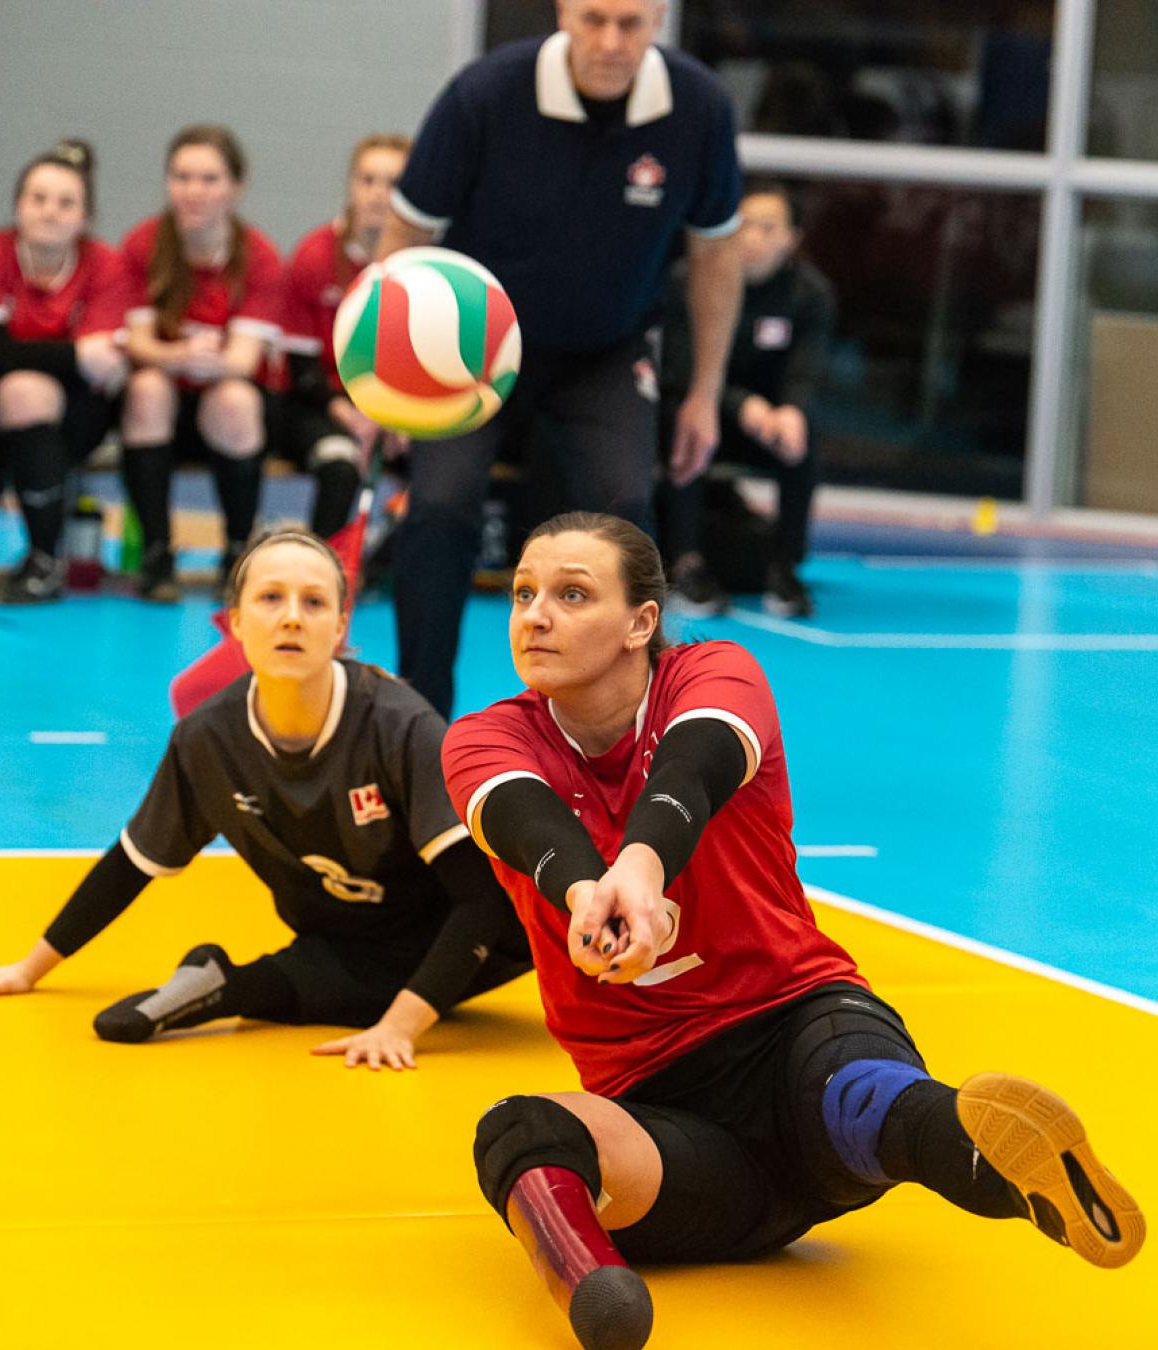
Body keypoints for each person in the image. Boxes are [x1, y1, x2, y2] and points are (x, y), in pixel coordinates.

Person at [442, 512, 1144, 1350]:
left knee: (858, 1102)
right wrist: (589, 892)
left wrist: (641, 868)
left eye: (572, 594)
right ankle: (598, 1292)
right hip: (672, 1125)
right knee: (522, 1129)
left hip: (797, 1019)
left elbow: (695, 767)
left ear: (643, 623)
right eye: (524, 593)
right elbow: (528, 823)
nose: (535, 615)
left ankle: (1010, 1168)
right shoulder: (484, 737)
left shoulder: (714, 675)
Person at [0, 529, 531, 1068]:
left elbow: (482, 901)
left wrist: (401, 1025)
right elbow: (132, 862)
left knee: (389, 971)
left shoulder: (400, 725)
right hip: (343, 937)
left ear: (339, 628)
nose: (290, 618)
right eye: (270, 598)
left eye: (313, 603)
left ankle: (223, 986)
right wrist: (31, 967)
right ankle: (222, 985)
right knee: (338, 980)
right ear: (234, 622)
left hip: (469, 931)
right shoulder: (208, 737)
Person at [377, 0, 744, 717]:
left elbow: (717, 252)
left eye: (632, 24)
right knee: (441, 507)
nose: (611, 41)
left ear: (659, 22)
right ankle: (422, 720)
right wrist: (397, 379)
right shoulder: (484, 92)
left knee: (625, 512)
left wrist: (704, 392)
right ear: (562, 14)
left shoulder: (699, 106)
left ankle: (621, 724)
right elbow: (407, 228)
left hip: (606, 350)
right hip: (474, 345)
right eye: (594, 19)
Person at [118, 124, 282, 601]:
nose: (193, 190)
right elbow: (138, 344)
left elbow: (242, 360)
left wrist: (184, 357)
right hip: (160, 410)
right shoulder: (143, 245)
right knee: (146, 388)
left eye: (208, 179)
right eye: (181, 176)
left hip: (227, 411)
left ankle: (236, 554)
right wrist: (185, 355)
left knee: (234, 398)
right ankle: (156, 554)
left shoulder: (260, 257)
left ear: (236, 186)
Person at [0, 140, 126, 601]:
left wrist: (21, 358)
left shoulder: (105, 265)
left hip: (73, 418)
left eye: (66, 202)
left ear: (86, 217)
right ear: (17, 205)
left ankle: (44, 559)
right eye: (38, 199)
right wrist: (72, 356)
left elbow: (102, 371)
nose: (50, 212)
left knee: (23, 390)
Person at [660, 180, 835, 618]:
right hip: (698, 409)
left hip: (767, 424)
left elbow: (806, 370)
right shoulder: (690, 282)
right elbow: (679, 370)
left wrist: (791, 412)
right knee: (687, 431)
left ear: (792, 239)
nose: (753, 236)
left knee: (804, 440)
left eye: (768, 227)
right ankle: (685, 564)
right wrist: (743, 407)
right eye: (745, 224)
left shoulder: (811, 295)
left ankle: (785, 565)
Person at [281, 135, 411, 539]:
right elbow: (300, 369)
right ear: (351, 186)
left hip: (397, 409)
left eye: (391, 183)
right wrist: (354, 417)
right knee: (340, 464)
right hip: (320, 405)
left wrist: (397, 414)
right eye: (366, 180)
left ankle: (379, 564)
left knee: (438, 469)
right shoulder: (315, 254)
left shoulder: (424, 264)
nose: (377, 194)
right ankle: (321, 574)